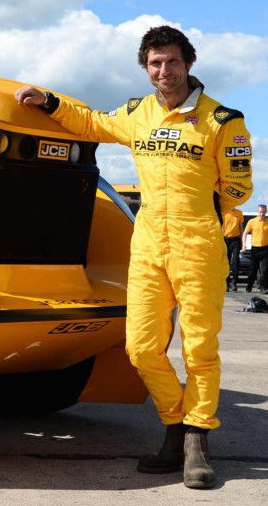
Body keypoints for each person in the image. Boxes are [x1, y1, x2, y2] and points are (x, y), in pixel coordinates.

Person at [14, 26, 253, 490]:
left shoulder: (222, 120)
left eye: (172, 61)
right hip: (146, 247)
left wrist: (206, 221)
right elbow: (91, 124)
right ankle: (176, 423)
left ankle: (195, 441)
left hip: (198, 245)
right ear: (146, 68)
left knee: (200, 348)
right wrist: (48, 100)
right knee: (141, 348)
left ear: (189, 63)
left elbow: (239, 187)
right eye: (155, 63)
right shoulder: (136, 113)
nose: (164, 71)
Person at [242, 204, 268, 293]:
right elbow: (245, 233)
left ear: (266, 212)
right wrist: (244, 245)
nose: (262, 214)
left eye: (264, 212)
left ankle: (263, 287)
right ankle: (249, 286)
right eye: (260, 212)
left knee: (265, 269)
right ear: (258, 212)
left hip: (265, 249)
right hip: (255, 249)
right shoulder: (252, 221)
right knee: (253, 269)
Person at [223, 208, 244, 291]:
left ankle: (234, 283)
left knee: (235, 261)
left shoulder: (239, 213)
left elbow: (241, 228)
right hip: (224, 240)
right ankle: (226, 283)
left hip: (235, 240)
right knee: (226, 262)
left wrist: (243, 242)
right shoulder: (223, 212)